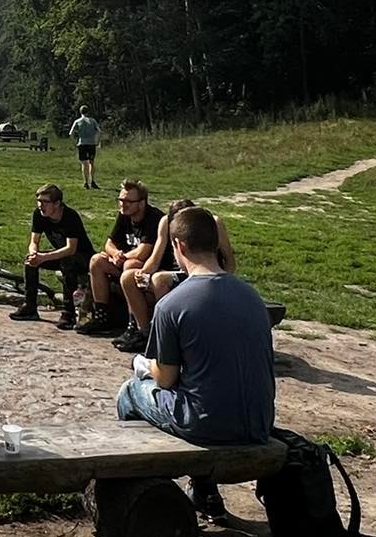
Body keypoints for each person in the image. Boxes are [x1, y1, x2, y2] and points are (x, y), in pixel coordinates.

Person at [116, 206, 276, 520]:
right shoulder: (252, 297)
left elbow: (166, 380)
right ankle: (204, 491)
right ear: (215, 245)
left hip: (207, 424)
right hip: (258, 422)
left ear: (180, 247)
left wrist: (144, 366)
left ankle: (142, 487)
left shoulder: (172, 304)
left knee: (132, 391)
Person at [114, 198, 239, 351]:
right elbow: (156, 256)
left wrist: (224, 282)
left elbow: (230, 261)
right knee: (128, 277)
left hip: (204, 275)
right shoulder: (165, 222)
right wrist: (143, 272)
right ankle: (144, 332)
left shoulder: (212, 223)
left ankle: (167, 330)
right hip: (176, 271)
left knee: (159, 279)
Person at [81, 181, 161, 337]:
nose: (123, 204)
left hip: (148, 270)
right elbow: (109, 243)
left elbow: (144, 252)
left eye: (128, 201)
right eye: (121, 200)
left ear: (142, 203)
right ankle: (102, 316)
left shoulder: (154, 218)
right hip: (124, 263)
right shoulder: (124, 215)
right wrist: (115, 254)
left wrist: (121, 257)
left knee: (131, 265)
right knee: (96, 261)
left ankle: (136, 325)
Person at [12, 183, 94, 328]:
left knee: (66, 261)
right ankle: (30, 306)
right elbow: (34, 241)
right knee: (29, 262)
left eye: (45, 202)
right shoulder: (39, 214)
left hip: (83, 259)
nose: (40, 205)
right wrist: (34, 255)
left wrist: (44, 257)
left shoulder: (70, 217)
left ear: (57, 203)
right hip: (61, 256)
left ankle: (68, 313)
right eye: (39, 201)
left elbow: (71, 248)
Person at [70, 107, 101, 189]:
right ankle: (93, 181)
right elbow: (99, 131)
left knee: (84, 163)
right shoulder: (93, 121)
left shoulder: (77, 121)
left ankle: (85, 182)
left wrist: (75, 143)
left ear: (80, 112)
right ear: (88, 112)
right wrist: (97, 140)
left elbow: (71, 133)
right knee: (92, 162)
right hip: (91, 143)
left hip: (82, 143)